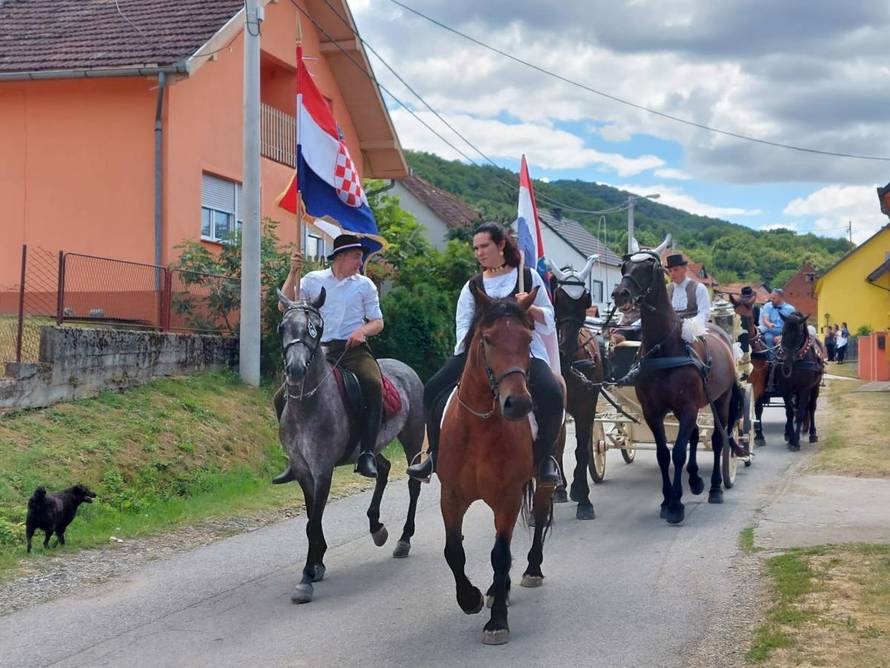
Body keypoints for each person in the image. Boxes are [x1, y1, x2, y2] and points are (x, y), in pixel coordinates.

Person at [406, 222, 564, 485]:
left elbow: (549, 318)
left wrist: (532, 309)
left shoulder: (528, 276)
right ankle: (433, 454)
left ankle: (546, 458)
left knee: (552, 392)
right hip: (478, 355)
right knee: (432, 389)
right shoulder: (472, 286)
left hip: (523, 354)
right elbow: (463, 326)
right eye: (475, 248)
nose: (479, 253)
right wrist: (470, 356)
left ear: (501, 245)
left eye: (484, 246)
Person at [273, 233, 384, 481]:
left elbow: (378, 322)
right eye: (356, 256)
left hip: (353, 350)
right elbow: (284, 306)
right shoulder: (313, 279)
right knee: (281, 397)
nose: (360, 261)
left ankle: (367, 452)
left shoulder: (365, 285)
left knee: (374, 384)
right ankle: (294, 458)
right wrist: (293, 272)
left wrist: (362, 331)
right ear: (341, 257)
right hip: (318, 351)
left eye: (360, 257)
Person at [664, 253, 710, 330]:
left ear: (684, 269)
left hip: (694, 329)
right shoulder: (666, 290)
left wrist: (690, 325)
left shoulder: (699, 288)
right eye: (670, 271)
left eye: (675, 269)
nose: (672, 273)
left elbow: (704, 312)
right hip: (671, 330)